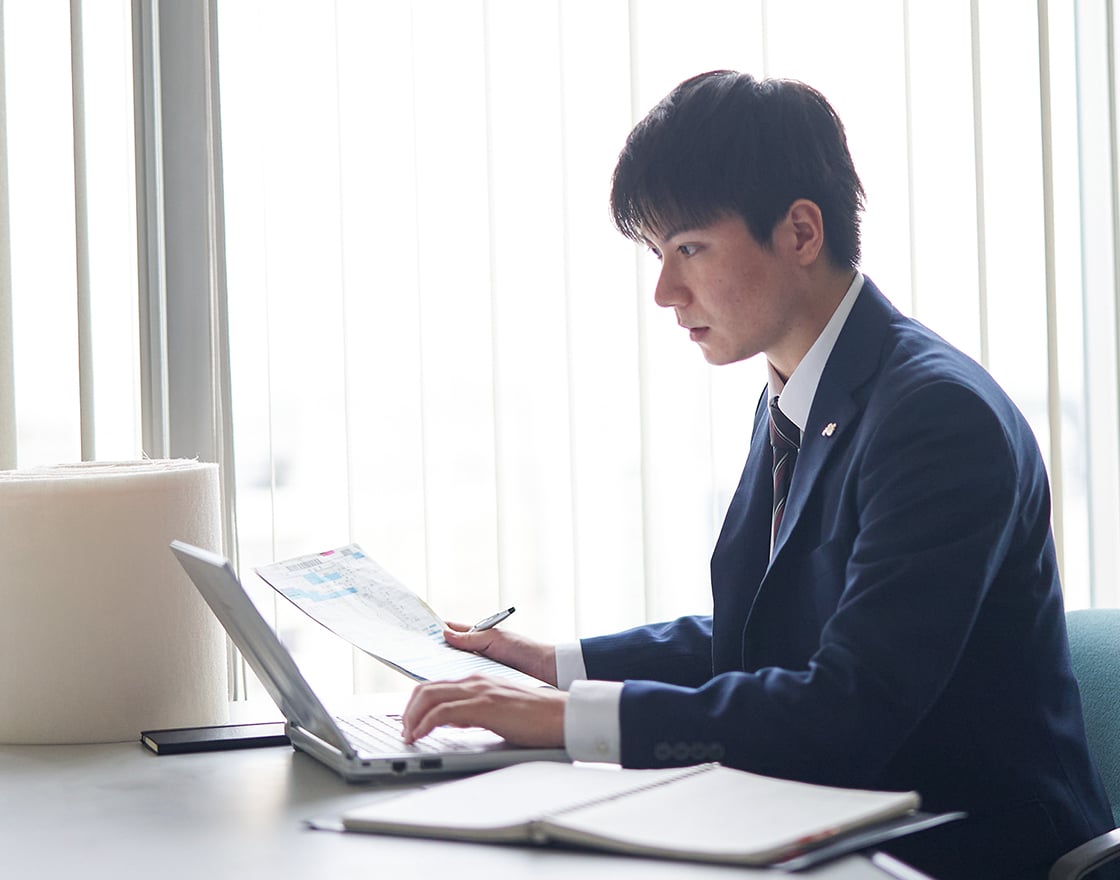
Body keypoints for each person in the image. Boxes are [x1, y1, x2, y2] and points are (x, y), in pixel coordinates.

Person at [400, 70, 1114, 879]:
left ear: (801, 233)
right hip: (833, 813)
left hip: (964, 842)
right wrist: (559, 666)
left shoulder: (937, 419)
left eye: (690, 249)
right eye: (658, 254)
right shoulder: (800, 390)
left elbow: (848, 706)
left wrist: (571, 719)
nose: (666, 292)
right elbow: (764, 637)